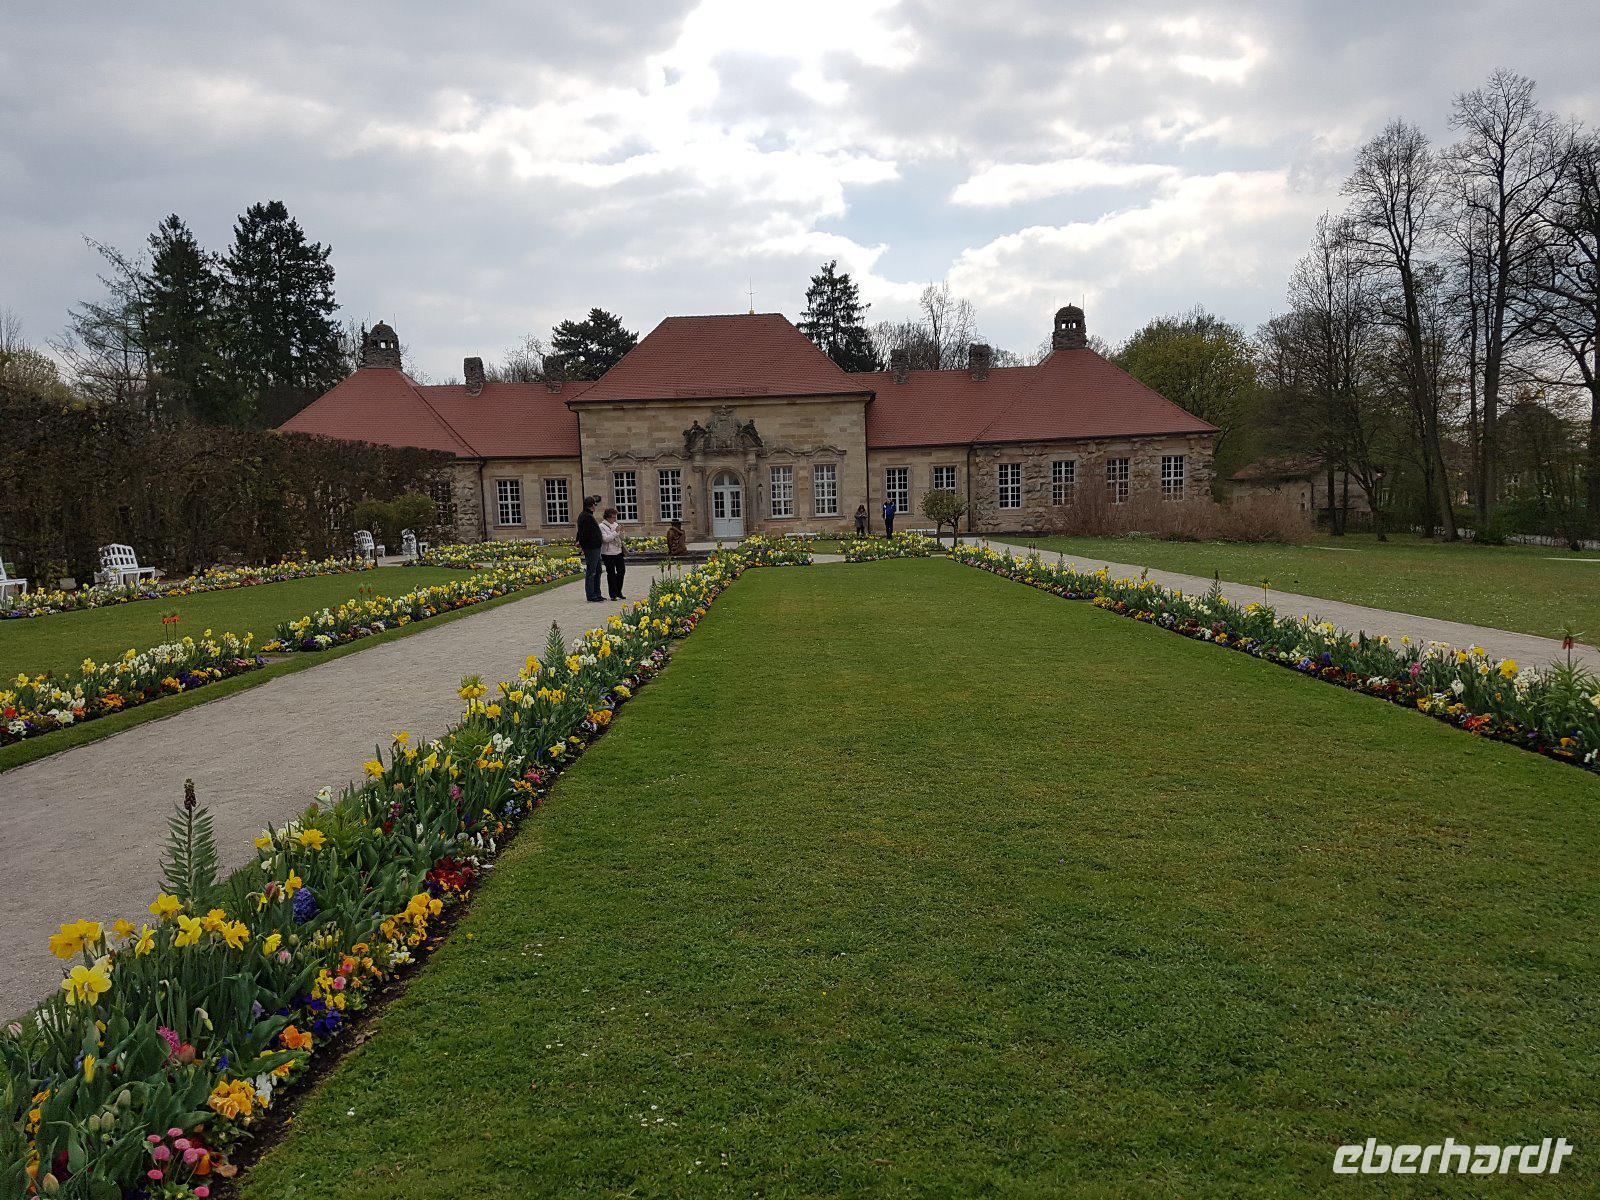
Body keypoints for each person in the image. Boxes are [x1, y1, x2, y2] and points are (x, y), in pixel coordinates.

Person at [576, 495, 604, 602]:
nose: (595, 507)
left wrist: (579, 540)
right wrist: (581, 543)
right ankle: (591, 595)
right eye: (594, 505)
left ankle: (597, 593)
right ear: (592, 506)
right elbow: (584, 533)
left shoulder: (587, 515)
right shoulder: (586, 516)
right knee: (592, 571)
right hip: (591, 547)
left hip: (594, 546)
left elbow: (580, 531)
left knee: (598, 570)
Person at [599, 506, 626, 600]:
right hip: (607, 553)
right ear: (607, 517)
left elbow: (622, 538)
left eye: (615, 517)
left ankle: (619, 591)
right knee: (611, 573)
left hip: (618, 552)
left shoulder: (616, 524)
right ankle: (613, 594)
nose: (615, 519)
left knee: (621, 571)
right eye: (613, 517)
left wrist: (622, 532)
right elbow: (606, 539)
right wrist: (616, 532)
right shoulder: (601, 526)